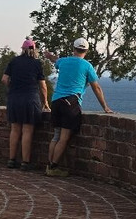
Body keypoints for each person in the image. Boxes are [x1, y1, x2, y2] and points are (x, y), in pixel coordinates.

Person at [46, 37, 113, 177]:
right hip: (71, 103)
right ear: (86, 51)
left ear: (74, 49)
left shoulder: (63, 61)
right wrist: (105, 107)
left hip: (56, 102)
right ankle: (53, 167)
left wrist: (49, 55)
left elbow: (55, 60)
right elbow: (96, 88)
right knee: (64, 138)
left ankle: (49, 165)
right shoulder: (87, 66)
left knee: (56, 136)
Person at [2, 38, 50, 170]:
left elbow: (4, 79)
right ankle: (25, 162)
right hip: (30, 99)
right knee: (27, 130)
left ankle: (11, 160)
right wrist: (45, 101)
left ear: (23, 49)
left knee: (15, 129)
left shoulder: (14, 61)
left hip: (14, 99)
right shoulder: (36, 63)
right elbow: (43, 85)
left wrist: (13, 88)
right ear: (34, 50)